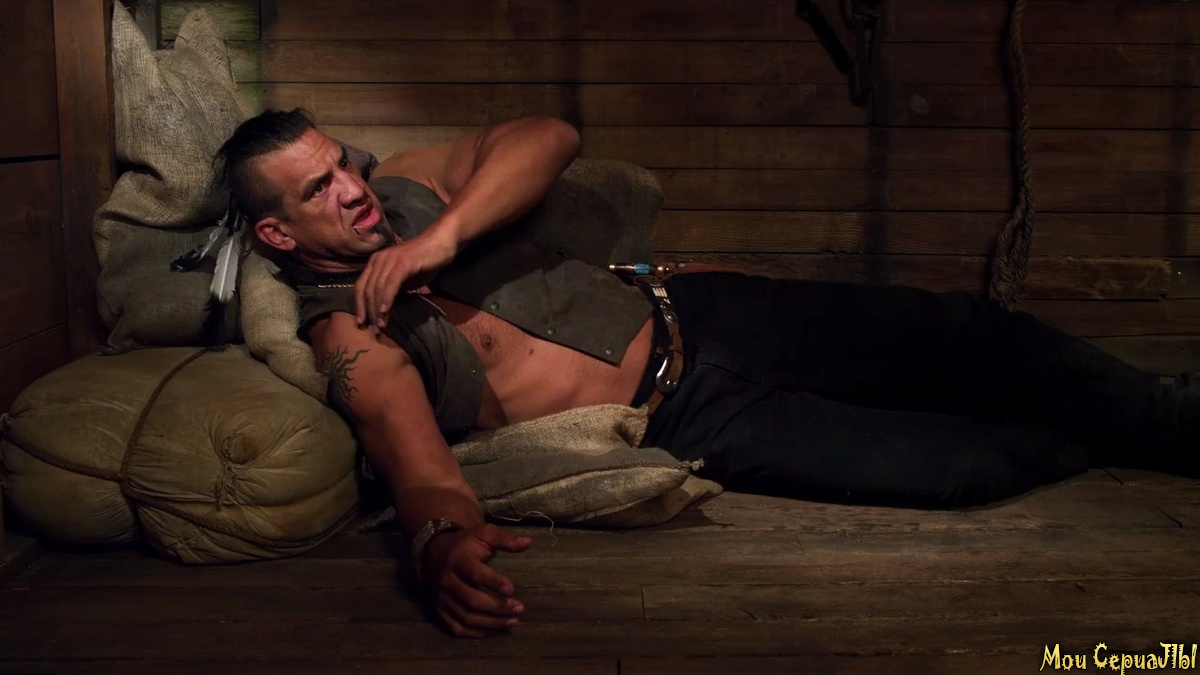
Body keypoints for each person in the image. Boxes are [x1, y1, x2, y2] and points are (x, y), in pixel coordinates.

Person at [216, 109, 1199, 639]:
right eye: (318, 189)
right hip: (689, 415)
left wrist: (444, 237)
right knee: (954, 469)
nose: (350, 190)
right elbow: (420, 469)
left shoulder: (408, 186)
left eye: (342, 164)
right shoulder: (350, 335)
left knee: (964, 335)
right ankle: (1111, 426)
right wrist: (441, 549)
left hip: (705, 309)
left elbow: (549, 135)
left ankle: (1169, 420)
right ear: (277, 233)